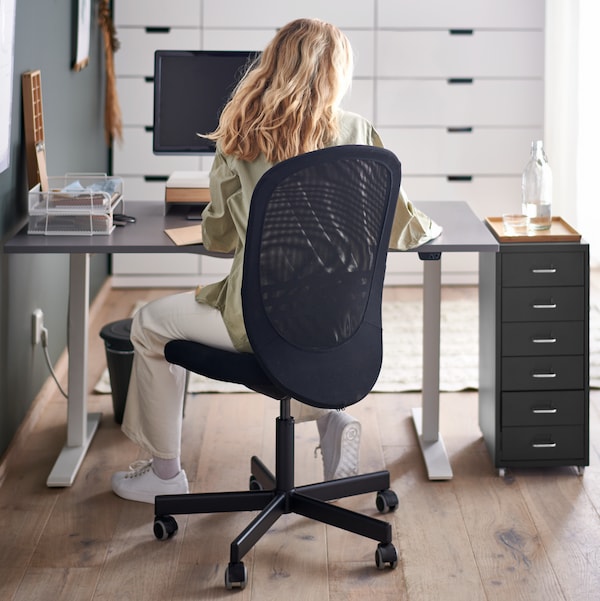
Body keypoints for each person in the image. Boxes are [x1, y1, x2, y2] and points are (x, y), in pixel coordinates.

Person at [112, 18, 442, 503]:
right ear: (335, 73)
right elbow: (402, 226)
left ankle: (164, 474)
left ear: (273, 63)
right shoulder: (358, 132)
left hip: (259, 320)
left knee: (147, 324)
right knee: (301, 339)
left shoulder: (241, 134)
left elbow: (221, 239)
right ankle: (331, 419)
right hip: (340, 322)